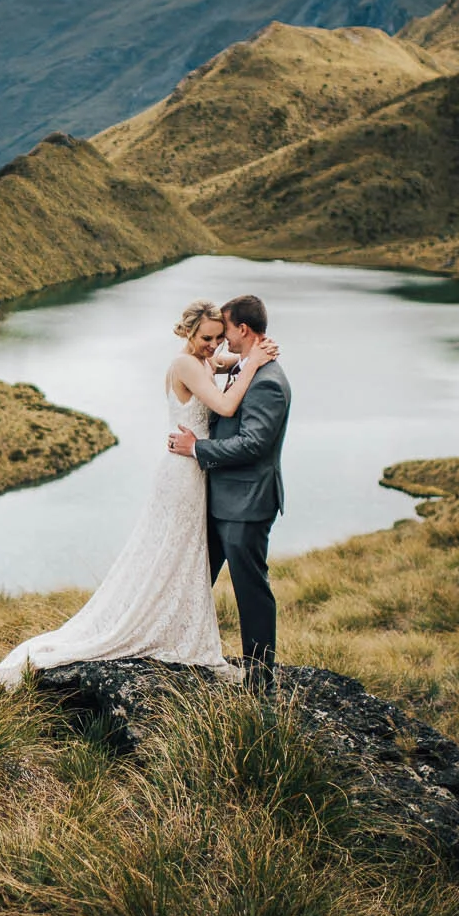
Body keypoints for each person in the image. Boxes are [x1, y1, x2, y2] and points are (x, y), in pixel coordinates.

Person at [0, 299, 277, 690]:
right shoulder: (187, 363)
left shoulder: (205, 360)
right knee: (172, 551)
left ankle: (173, 625)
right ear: (189, 333)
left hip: (195, 470)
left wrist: (243, 356)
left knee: (183, 555)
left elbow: (225, 364)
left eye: (219, 337)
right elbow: (224, 402)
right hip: (183, 473)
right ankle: (155, 627)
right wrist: (254, 363)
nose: (214, 345)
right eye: (207, 338)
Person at [169, 293, 291, 690]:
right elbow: (223, 368)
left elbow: (253, 444)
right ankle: (178, 648)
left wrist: (197, 449)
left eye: (226, 332)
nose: (220, 341)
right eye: (211, 336)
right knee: (192, 577)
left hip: (247, 505)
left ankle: (260, 677)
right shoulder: (243, 365)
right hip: (216, 498)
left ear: (243, 329)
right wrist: (246, 360)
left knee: (250, 590)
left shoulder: (269, 382)